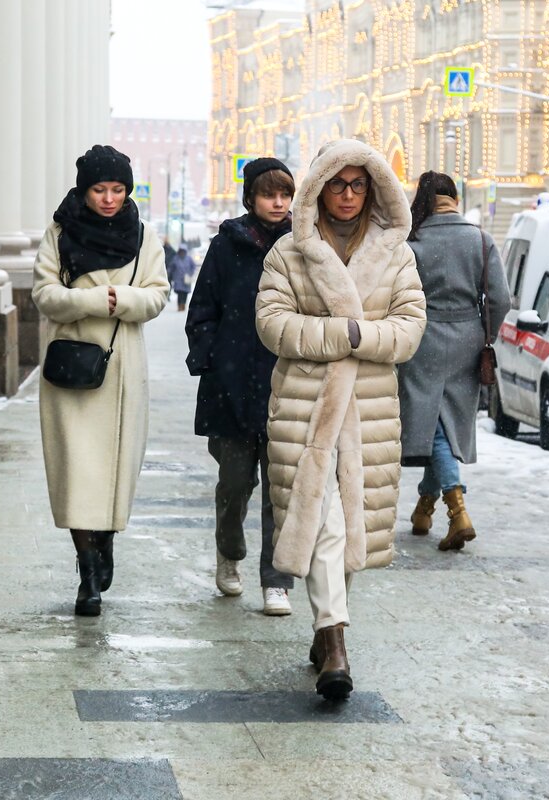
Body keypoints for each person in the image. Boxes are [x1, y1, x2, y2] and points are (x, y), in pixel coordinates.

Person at [255, 139, 426, 700]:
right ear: (319, 189)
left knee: (352, 527)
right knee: (322, 519)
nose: (348, 195)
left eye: (358, 184)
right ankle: (334, 640)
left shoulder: (397, 254)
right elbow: (272, 324)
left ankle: (329, 617)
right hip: (308, 407)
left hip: (369, 410)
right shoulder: (288, 253)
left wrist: (361, 337)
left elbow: (409, 329)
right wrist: (340, 335)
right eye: (338, 184)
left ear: (373, 188)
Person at [32, 144, 171, 616]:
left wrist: (120, 301)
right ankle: (87, 569)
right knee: (76, 471)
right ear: (83, 189)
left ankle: (105, 539)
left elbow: (157, 296)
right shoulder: (59, 232)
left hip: (121, 368)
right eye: (99, 189)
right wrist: (98, 301)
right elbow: (44, 294)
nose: (109, 199)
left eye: (117, 189)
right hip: (70, 369)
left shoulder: (145, 235)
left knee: (113, 469)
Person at [185, 157, 297, 616]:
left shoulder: (302, 245)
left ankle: (276, 580)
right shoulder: (226, 245)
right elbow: (202, 310)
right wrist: (210, 361)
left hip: (286, 384)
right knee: (234, 483)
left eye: (285, 194)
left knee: (281, 486)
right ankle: (229, 554)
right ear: (250, 197)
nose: (278, 202)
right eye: (269, 193)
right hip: (230, 384)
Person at [398, 172, 509, 553]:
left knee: (435, 426)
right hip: (467, 339)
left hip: (422, 339)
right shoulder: (480, 239)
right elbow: (500, 299)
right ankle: (423, 510)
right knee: (444, 421)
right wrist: (484, 333)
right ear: (455, 198)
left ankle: (457, 511)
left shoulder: (411, 243)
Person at [167, 245, 196, 311]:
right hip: (178, 279)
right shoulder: (176, 258)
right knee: (180, 293)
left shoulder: (189, 258)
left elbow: (193, 266)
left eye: (183, 251)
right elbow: (171, 267)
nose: (182, 252)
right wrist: (168, 272)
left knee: (184, 293)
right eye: (181, 251)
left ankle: (183, 304)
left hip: (186, 279)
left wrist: (190, 273)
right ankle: (179, 305)